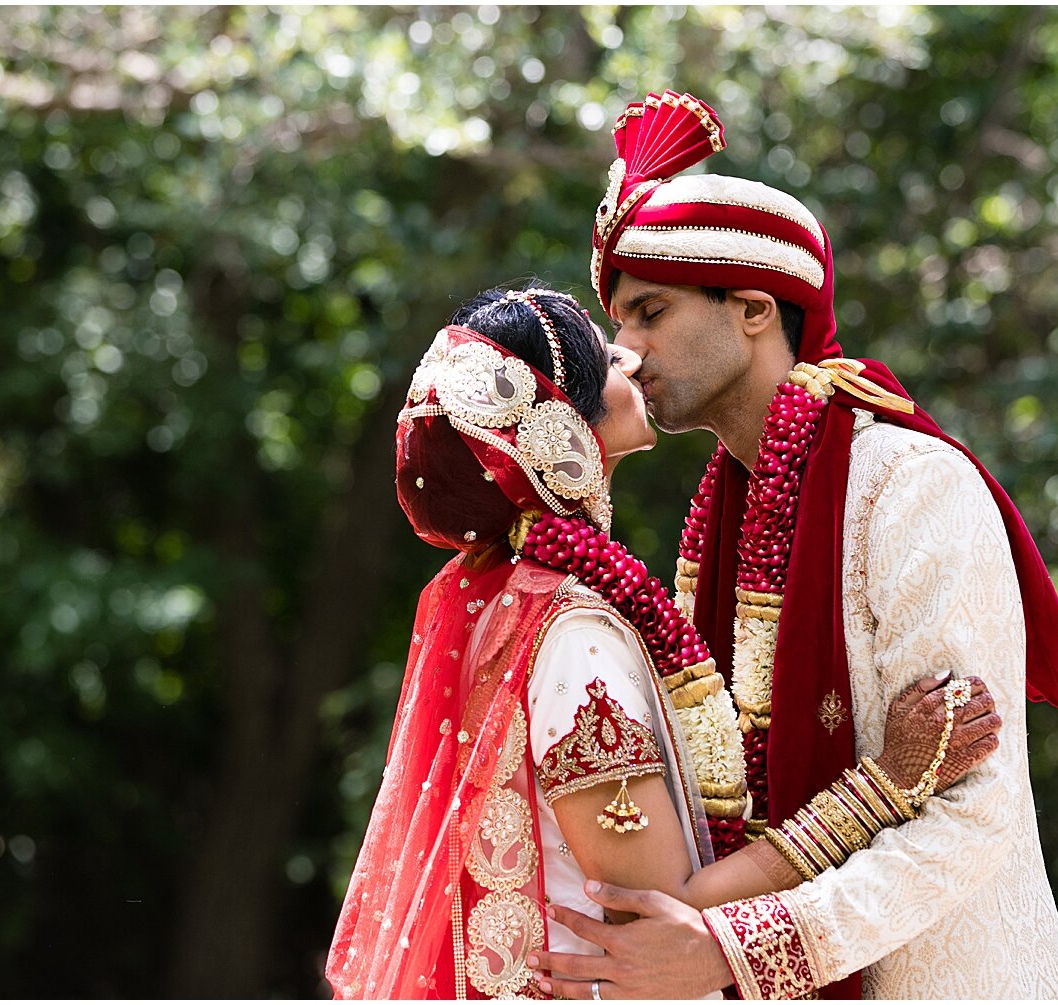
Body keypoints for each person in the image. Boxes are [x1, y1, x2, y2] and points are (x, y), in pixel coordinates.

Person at [530, 90, 1058, 1000]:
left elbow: (971, 809)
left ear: (754, 307)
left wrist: (735, 950)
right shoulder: (719, 515)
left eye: (650, 312)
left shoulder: (908, 487)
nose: (623, 353)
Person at [325, 284, 1004, 999]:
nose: (629, 352)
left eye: (645, 318)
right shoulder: (573, 633)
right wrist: (882, 788)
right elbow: (662, 908)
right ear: (561, 429)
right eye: (604, 348)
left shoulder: (502, 598)